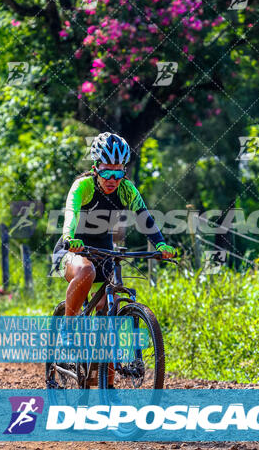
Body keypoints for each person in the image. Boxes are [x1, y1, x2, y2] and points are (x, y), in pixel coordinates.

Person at [52, 132, 175, 386]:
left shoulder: (127, 190)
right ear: (95, 167)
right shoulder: (83, 186)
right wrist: (69, 237)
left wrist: (161, 243)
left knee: (108, 317)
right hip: (72, 249)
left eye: (118, 174)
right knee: (86, 273)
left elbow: (145, 218)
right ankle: (67, 331)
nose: (112, 180)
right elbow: (71, 214)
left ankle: (107, 396)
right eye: (107, 173)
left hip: (105, 251)